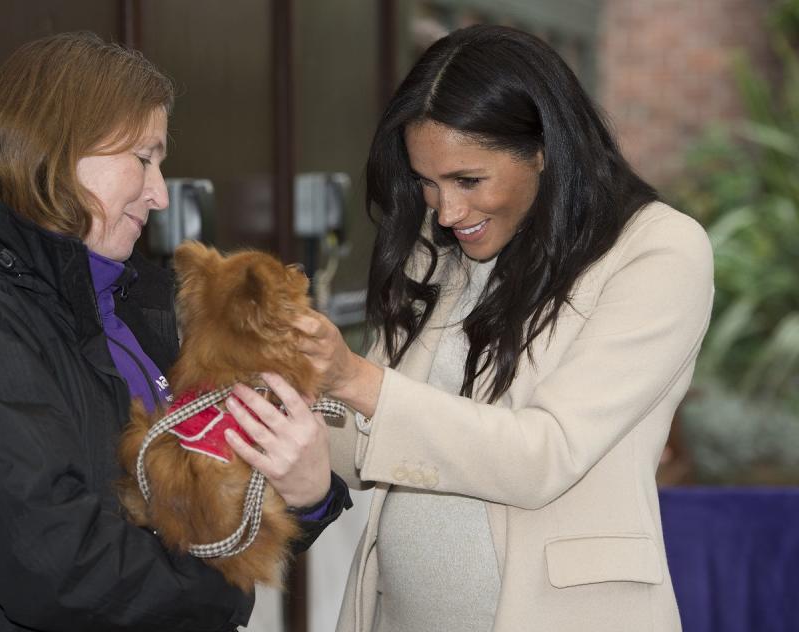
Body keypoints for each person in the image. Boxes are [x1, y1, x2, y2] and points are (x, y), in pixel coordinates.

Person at [0, 32, 348, 632]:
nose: (157, 194)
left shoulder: (130, 301)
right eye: (144, 158)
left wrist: (309, 495)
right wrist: (223, 593)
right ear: (60, 146)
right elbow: (50, 562)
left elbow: (204, 512)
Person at [290, 25, 714, 632]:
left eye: (469, 180)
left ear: (544, 150)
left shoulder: (658, 250)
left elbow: (544, 454)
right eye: (426, 182)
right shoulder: (436, 249)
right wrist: (293, 398)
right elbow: (365, 450)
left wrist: (357, 380)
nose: (447, 211)